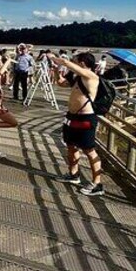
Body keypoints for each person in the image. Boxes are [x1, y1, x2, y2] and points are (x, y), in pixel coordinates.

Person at [50, 51, 104, 196]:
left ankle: (97, 184)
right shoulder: (77, 76)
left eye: (75, 60)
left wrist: (53, 57)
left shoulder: (91, 76)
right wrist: (56, 71)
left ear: (82, 63)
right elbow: (61, 83)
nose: (72, 61)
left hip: (86, 118)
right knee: (71, 145)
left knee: (89, 150)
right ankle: (74, 174)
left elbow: (66, 63)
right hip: (72, 117)